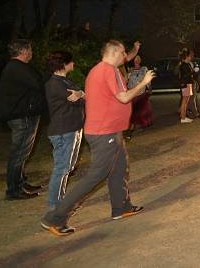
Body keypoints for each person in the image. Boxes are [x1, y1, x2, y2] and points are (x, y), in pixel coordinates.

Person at [41, 40, 155, 236]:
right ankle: (54, 218)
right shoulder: (107, 70)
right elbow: (124, 97)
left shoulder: (103, 70)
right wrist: (143, 84)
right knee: (96, 175)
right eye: (123, 53)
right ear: (115, 52)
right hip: (104, 133)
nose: (125, 56)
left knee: (119, 169)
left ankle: (121, 207)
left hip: (111, 131)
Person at [0, 39, 46, 200]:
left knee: (22, 152)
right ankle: (14, 189)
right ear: (24, 51)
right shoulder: (16, 68)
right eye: (30, 50)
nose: (32, 53)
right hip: (20, 115)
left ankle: (20, 182)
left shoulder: (17, 68)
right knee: (19, 152)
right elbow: (38, 83)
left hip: (23, 114)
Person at [44, 51, 85, 210]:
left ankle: (61, 201)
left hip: (72, 128)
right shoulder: (54, 84)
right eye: (71, 62)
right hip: (63, 130)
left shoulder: (65, 81)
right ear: (64, 64)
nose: (73, 64)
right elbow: (76, 100)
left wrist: (81, 94)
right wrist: (81, 95)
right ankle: (55, 206)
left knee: (68, 167)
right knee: (62, 167)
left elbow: (81, 96)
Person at [126, 55, 154, 134]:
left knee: (142, 109)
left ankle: (139, 124)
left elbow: (148, 79)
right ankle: (131, 127)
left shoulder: (144, 69)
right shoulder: (130, 70)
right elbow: (126, 81)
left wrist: (149, 88)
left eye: (139, 58)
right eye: (135, 58)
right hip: (132, 92)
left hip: (142, 92)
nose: (137, 60)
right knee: (134, 110)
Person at [177, 48, 200, 123]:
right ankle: (183, 117)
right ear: (186, 57)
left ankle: (183, 116)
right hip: (186, 84)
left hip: (188, 83)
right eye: (189, 56)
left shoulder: (187, 64)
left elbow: (191, 74)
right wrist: (193, 71)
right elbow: (187, 75)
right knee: (185, 101)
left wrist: (194, 72)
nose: (191, 57)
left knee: (186, 101)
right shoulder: (183, 65)